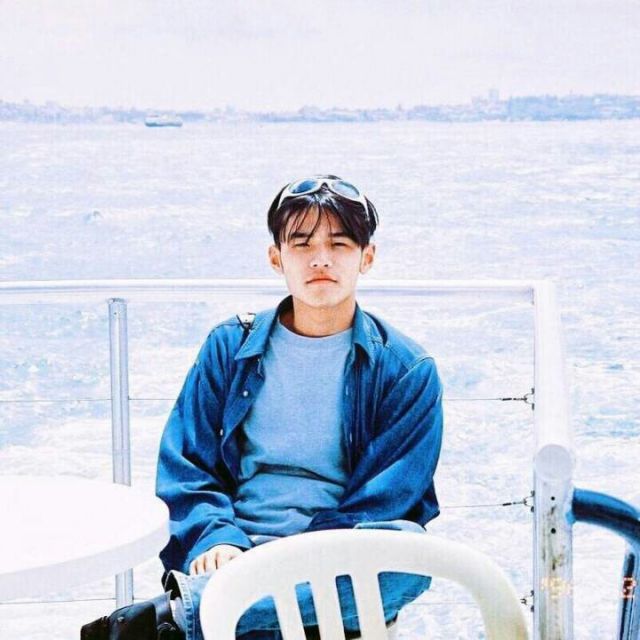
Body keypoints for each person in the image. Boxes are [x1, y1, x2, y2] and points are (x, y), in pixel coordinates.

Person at [81, 175, 444, 640]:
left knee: (409, 557)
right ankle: (229, 607)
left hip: (334, 559)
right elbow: (186, 467)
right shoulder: (229, 347)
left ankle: (176, 618)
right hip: (235, 552)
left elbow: (385, 503)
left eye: (339, 243)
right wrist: (217, 537)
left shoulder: (406, 370)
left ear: (366, 257)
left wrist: (293, 562)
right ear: (277, 258)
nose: (320, 258)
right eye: (302, 243)